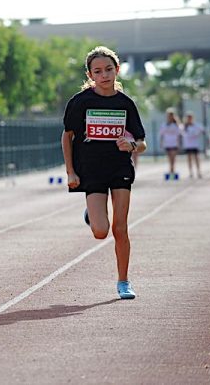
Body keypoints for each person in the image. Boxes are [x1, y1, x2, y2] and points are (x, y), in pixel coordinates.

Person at [62, 46, 146, 300]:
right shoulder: (80, 103)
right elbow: (67, 137)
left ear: (117, 70)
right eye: (98, 71)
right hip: (91, 170)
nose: (105, 75)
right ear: (90, 75)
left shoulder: (125, 103)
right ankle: (93, 213)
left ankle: (123, 281)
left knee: (120, 228)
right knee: (101, 231)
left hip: (120, 168)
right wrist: (71, 172)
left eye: (109, 69)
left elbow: (142, 142)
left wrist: (131, 145)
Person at [158, 108, 182, 180]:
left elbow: (179, 135)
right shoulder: (164, 125)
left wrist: (179, 144)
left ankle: (172, 170)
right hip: (167, 144)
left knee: (173, 158)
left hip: (174, 144)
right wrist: (161, 143)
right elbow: (161, 134)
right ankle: (171, 170)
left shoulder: (176, 125)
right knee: (170, 159)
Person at [181, 112, 204, 179]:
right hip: (188, 145)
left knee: (197, 158)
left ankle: (199, 172)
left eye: (190, 117)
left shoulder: (196, 125)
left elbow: (202, 130)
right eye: (188, 118)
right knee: (189, 159)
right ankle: (191, 172)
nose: (189, 119)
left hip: (195, 144)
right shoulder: (184, 126)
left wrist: (197, 134)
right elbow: (181, 133)